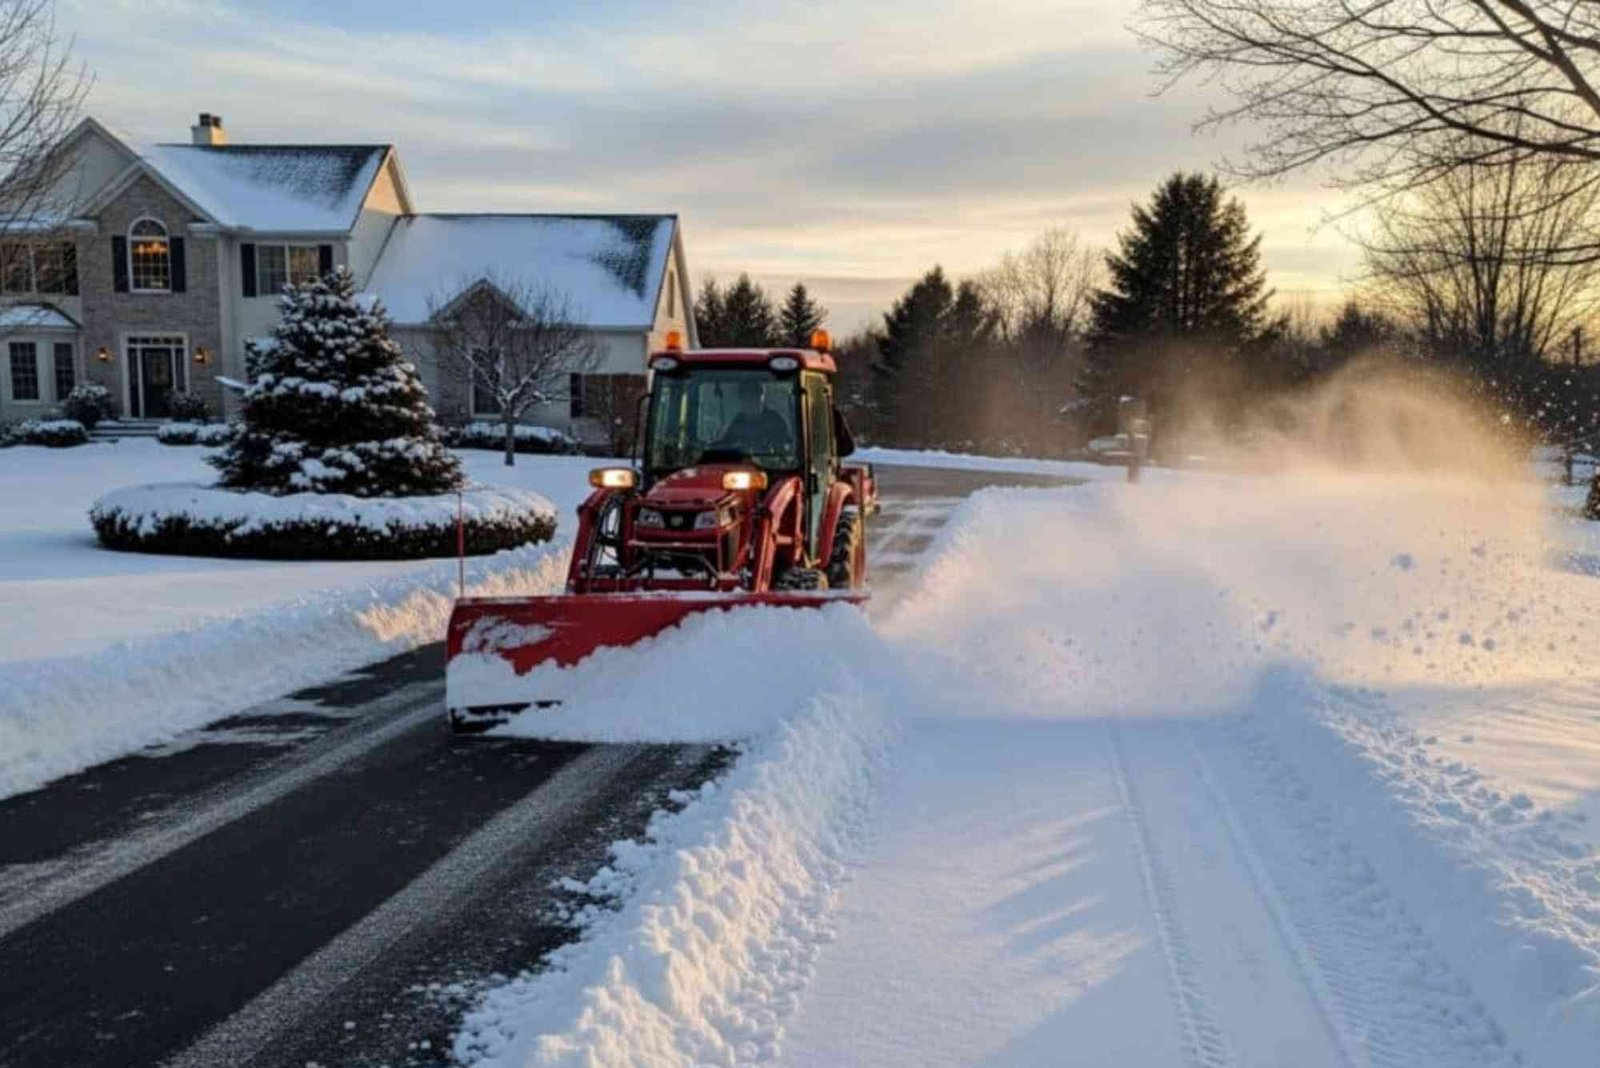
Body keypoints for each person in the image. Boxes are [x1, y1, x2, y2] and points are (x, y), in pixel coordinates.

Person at [719, 379, 791, 455]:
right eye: (748, 398)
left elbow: (785, 449)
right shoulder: (737, 423)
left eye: (755, 396)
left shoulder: (775, 421)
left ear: (762, 397)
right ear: (742, 400)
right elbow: (725, 447)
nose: (752, 402)